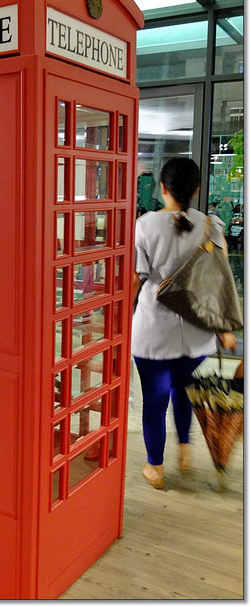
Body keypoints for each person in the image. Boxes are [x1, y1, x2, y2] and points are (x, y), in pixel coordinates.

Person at [132, 158, 237, 489]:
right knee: (182, 387)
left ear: (162, 188)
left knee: (155, 401)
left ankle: (155, 468)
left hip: (153, 330)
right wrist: (224, 328)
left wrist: (118, 317)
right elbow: (219, 281)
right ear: (195, 191)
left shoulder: (145, 225)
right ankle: (184, 451)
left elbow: (137, 278)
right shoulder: (211, 225)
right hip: (198, 332)